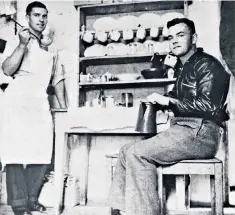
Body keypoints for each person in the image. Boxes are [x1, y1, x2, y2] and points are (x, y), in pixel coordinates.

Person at [108, 18, 230, 215]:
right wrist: (163, 99)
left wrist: (168, 102)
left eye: (180, 35)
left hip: (201, 132)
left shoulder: (207, 64)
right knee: (125, 150)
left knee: (137, 154)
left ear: (194, 38)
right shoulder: (184, 66)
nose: (174, 41)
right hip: (185, 129)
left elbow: (209, 106)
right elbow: (179, 96)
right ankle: (120, 211)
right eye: (171, 37)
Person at [0, 1, 67, 215]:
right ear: (28, 17)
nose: (41, 19)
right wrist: (21, 44)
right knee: (16, 154)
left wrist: (65, 109)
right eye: (36, 15)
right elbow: (8, 70)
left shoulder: (51, 47)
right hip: (17, 101)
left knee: (42, 152)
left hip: (39, 102)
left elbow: (58, 79)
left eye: (44, 16)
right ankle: (19, 204)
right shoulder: (15, 40)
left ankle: (31, 199)